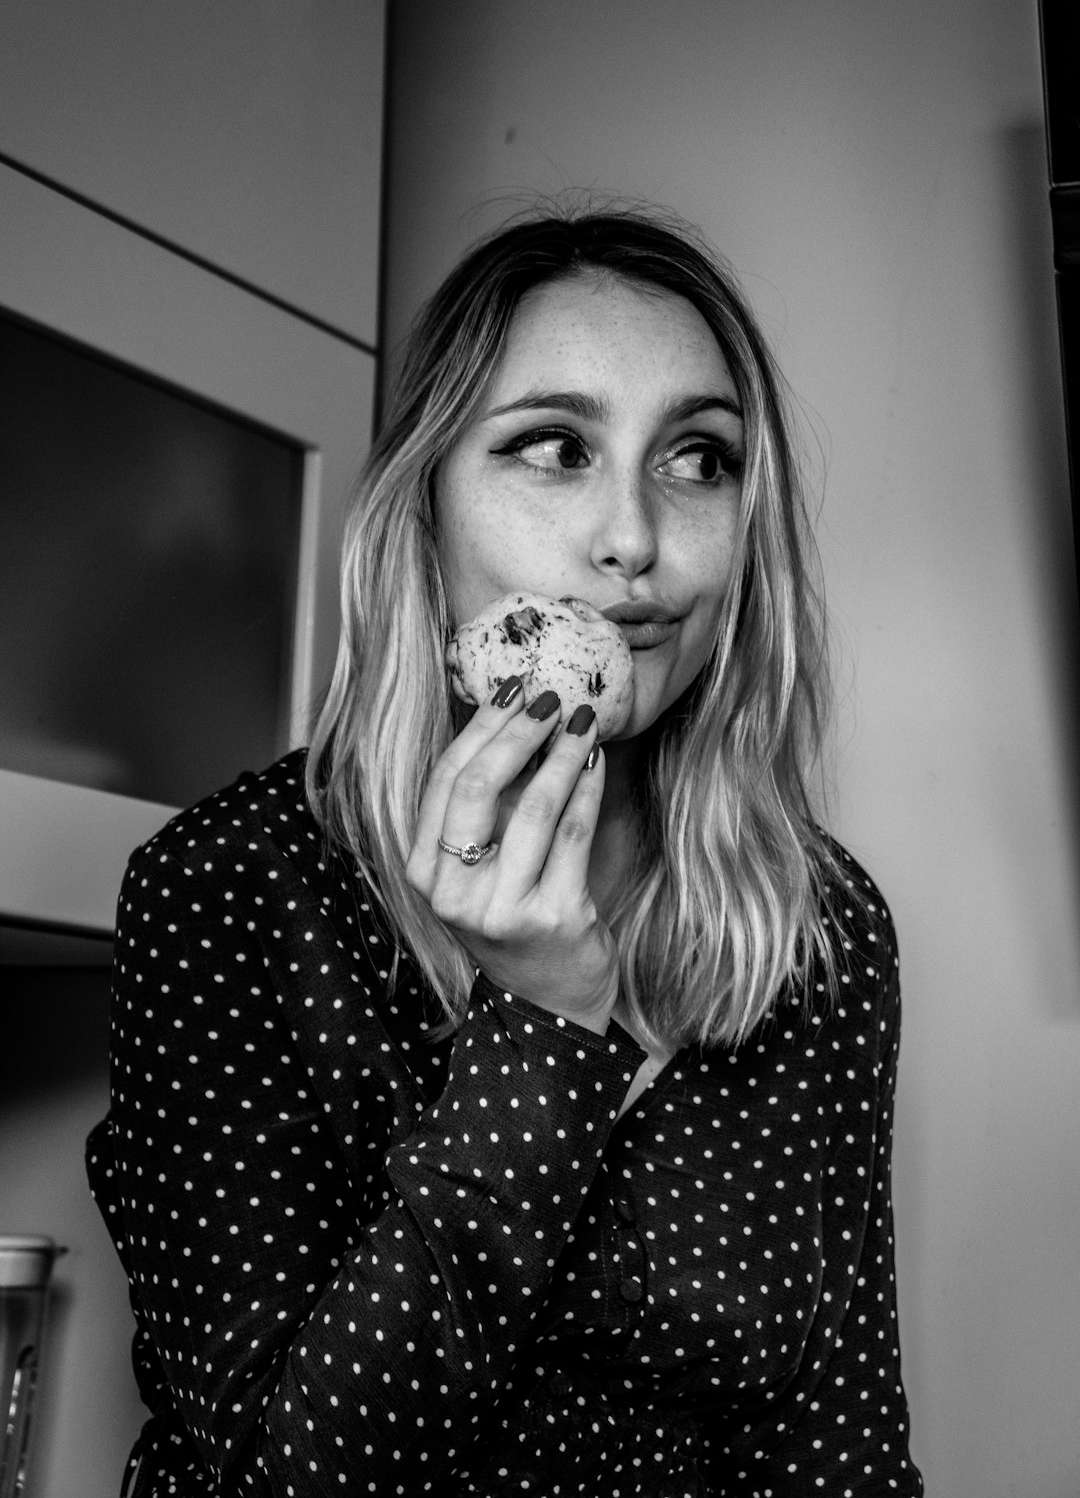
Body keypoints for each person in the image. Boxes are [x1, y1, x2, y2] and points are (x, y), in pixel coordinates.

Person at [87, 204, 923, 1497]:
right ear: (425, 508)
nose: (636, 539)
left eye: (699, 458)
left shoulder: (817, 923)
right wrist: (541, 1031)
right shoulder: (237, 888)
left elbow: (836, 1450)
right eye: (554, 447)